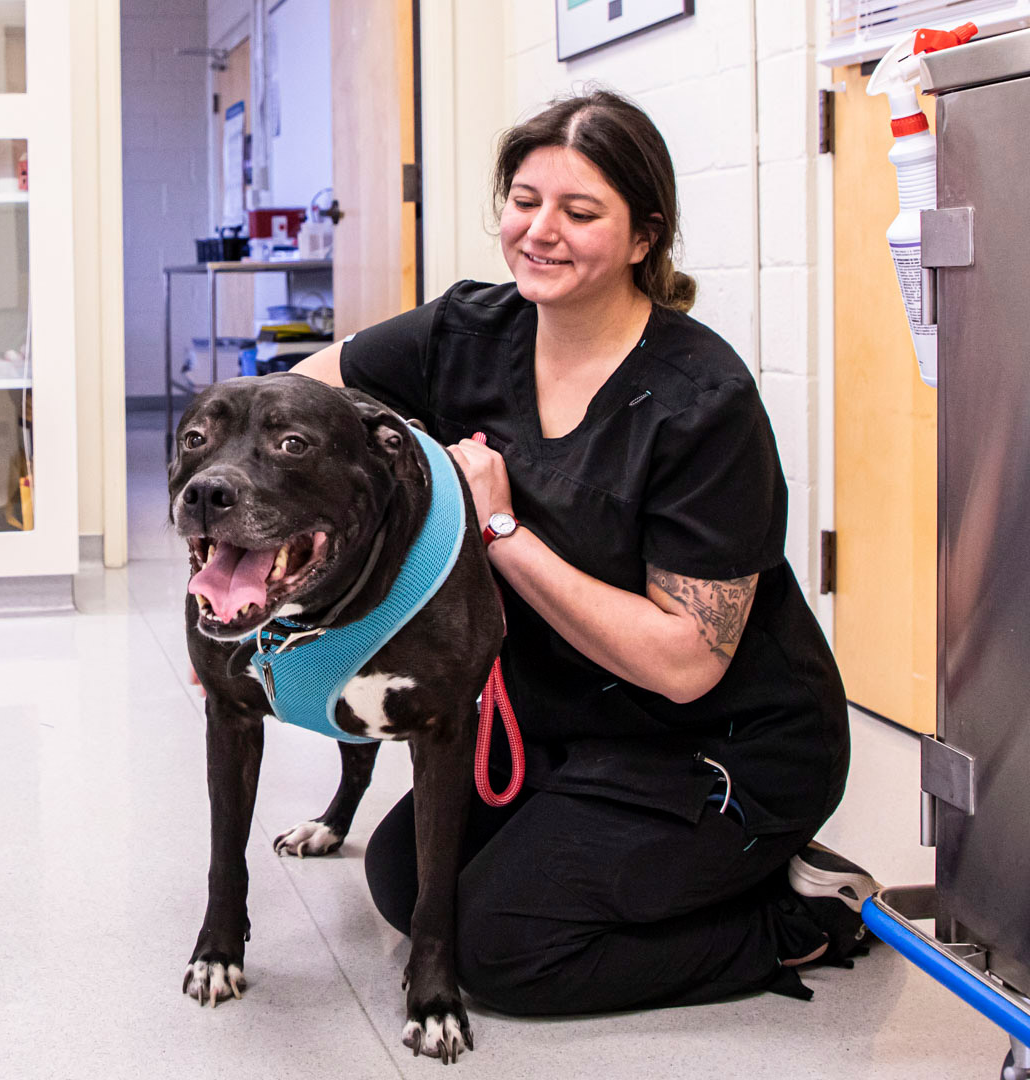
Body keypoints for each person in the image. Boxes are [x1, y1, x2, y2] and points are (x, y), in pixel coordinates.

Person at [291, 87, 877, 1014]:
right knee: (408, 881)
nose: (541, 232)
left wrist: (500, 530)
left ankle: (797, 917)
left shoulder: (700, 400)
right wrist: (260, 570)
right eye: (525, 201)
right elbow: (298, 402)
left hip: (720, 745)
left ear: (645, 238)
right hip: (569, 725)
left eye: (580, 211)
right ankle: (677, 875)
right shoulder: (467, 331)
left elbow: (685, 664)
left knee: (497, 951)